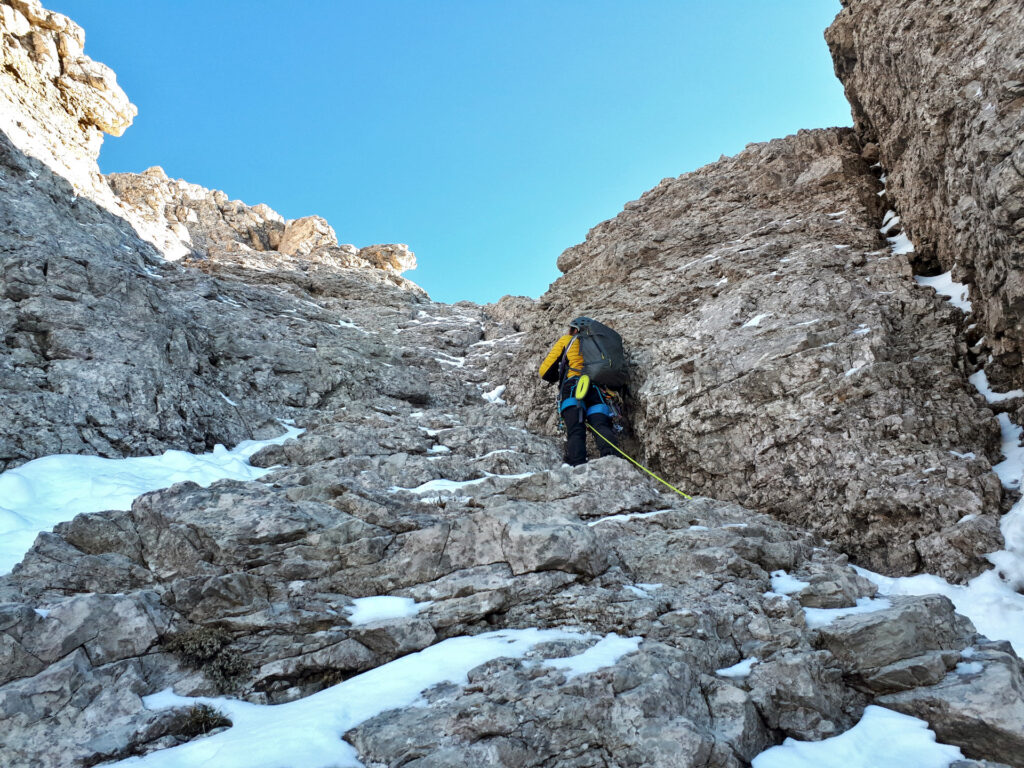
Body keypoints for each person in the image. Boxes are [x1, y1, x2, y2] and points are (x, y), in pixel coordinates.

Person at [538, 317, 620, 466]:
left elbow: (544, 371)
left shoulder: (567, 340)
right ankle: (613, 462)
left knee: (576, 428)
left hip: (574, 386)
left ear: (575, 329)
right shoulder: (600, 345)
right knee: (601, 426)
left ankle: (578, 466)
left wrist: (560, 375)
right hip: (597, 389)